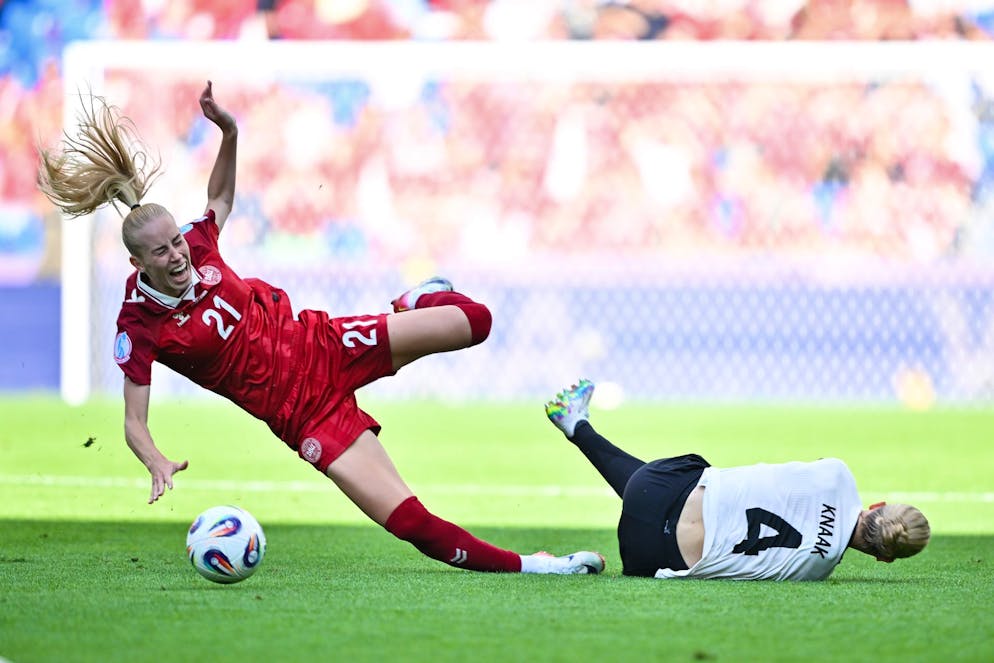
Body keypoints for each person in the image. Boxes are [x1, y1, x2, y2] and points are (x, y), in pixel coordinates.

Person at [37, 82, 604, 576]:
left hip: (326, 343)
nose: (179, 255)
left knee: (474, 321)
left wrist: (230, 134)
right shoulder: (137, 326)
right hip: (304, 415)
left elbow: (219, 199)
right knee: (411, 523)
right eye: (163, 252)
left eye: (178, 243)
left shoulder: (201, 242)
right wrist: (154, 458)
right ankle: (541, 566)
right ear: (140, 266)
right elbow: (133, 423)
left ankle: (414, 300)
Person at [544, 379, 930, 580]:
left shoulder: (838, 475)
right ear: (884, 557)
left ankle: (577, 425)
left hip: (653, 488)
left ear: (878, 506)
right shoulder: (817, 572)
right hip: (647, 559)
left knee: (700, 472)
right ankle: (576, 423)